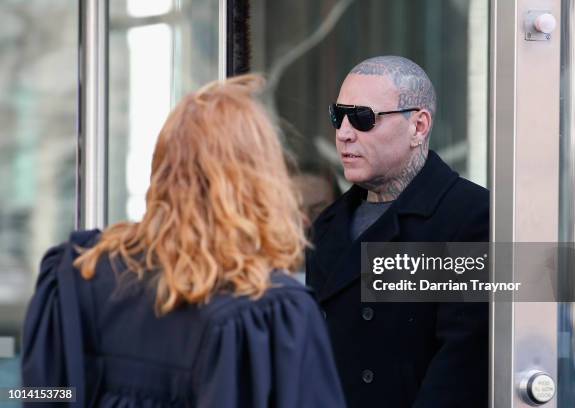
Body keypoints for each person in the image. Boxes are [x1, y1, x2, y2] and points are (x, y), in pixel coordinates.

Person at [22, 74, 346, 407]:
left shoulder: (77, 275)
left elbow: (37, 395)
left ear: (162, 167)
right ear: (262, 180)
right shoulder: (271, 311)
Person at [306, 56, 489, 407]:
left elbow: (461, 368)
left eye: (363, 118)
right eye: (338, 116)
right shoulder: (328, 225)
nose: (343, 132)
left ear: (418, 127)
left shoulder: (471, 218)